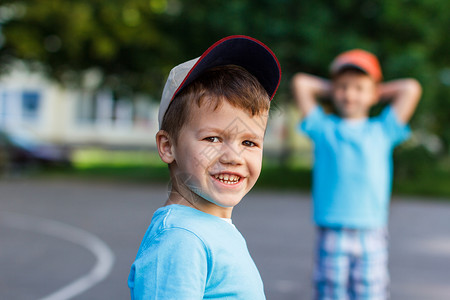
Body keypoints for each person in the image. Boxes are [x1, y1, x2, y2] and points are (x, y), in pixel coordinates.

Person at [128, 35, 281, 299]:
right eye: (212, 138)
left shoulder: (207, 228)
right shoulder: (181, 239)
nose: (233, 157)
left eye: (249, 142)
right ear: (167, 146)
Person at [291, 49, 422, 300]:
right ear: (332, 89)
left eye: (358, 88)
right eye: (342, 87)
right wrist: (342, 88)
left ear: (374, 93)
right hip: (332, 228)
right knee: (330, 292)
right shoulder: (324, 127)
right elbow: (301, 83)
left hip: (371, 230)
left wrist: (372, 91)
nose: (349, 94)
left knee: (370, 292)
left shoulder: (383, 129)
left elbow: (410, 88)